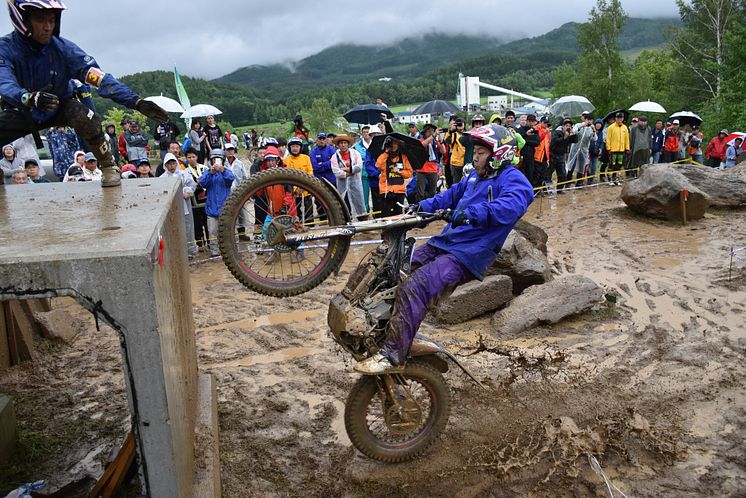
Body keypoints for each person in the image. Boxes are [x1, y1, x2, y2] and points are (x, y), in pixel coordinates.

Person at [355, 125, 534, 373]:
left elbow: (508, 208)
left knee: (415, 287)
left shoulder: (514, 180)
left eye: (481, 153)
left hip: (468, 254)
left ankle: (392, 356)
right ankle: (386, 335)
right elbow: (448, 196)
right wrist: (418, 208)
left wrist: (468, 214)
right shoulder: (473, 177)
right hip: (445, 243)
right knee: (394, 272)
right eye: (475, 152)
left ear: (498, 154)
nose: (475, 156)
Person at [0, 0, 167, 187]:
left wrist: (135, 101)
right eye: (41, 20)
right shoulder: (4, 48)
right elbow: (4, 81)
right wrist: (27, 97)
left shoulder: (64, 49)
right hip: (22, 108)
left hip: (60, 105)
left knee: (85, 116)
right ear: (22, 19)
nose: (48, 27)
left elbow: (98, 77)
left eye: (52, 20)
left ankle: (108, 166)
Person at [160, 152, 197, 259]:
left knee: (188, 228)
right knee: (173, 229)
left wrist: (187, 192)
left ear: (176, 163)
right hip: (171, 208)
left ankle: (190, 252)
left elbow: (192, 185)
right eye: (169, 164)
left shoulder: (184, 174)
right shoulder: (162, 178)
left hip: (185, 206)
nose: (172, 166)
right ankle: (175, 252)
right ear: (165, 165)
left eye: (173, 163)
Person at [199, 149, 234, 258]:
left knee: (227, 231)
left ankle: (229, 251)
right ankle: (214, 252)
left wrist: (222, 171)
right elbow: (202, 182)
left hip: (226, 210)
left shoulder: (227, 172)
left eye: (219, 159)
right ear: (211, 160)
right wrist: (211, 172)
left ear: (223, 160)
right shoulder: (208, 172)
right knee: (212, 232)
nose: (217, 162)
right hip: (212, 210)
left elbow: (231, 179)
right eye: (214, 159)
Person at [375, 135, 413, 217]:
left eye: (396, 143)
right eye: (392, 143)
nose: (394, 145)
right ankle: (386, 230)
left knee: (398, 214)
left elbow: (409, 173)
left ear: (398, 145)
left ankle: (397, 230)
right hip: (386, 190)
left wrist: (400, 172)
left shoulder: (403, 157)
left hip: (399, 190)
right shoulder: (384, 156)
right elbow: (378, 165)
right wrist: (386, 152)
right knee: (386, 214)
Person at [330, 134, 366, 220]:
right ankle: (347, 221)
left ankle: (363, 220)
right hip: (342, 185)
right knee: (344, 203)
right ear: (338, 145)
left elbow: (359, 166)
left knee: (359, 202)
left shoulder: (355, 153)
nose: (343, 145)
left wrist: (348, 169)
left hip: (355, 183)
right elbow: (336, 171)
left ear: (348, 144)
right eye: (341, 143)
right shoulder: (335, 157)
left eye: (345, 143)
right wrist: (346, 174)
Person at [285, 136, 315, 225]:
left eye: (297, 146)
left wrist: (303, 186)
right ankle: (298, 226)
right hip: (294, 192)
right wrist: (295, 189)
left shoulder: (306, 158)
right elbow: (287, 177)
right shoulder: (286, 161)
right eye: (293, 146)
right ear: (290, 148)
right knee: (296, 211)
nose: (295, 148)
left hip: (306, 189)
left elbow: (310, 172)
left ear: (300, 147)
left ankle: (311, 225)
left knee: (309, 209)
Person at [184, 148, 209, 248]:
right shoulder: (185, 172)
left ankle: (210, 242)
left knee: (208, 222)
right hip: (193, 202)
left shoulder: (205, 168)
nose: (191, 159)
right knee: (196, 223)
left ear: (197, 157)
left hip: (207, 200)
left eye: (193, 157)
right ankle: (199, 243)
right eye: (189, 157)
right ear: (186, 158)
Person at [548, 118, 577, 191]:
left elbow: (575, 140)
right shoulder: (557, 132)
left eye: (570, 126)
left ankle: (559, 189)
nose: (568, 127)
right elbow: (555, 141)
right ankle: (546, 188)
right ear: (563, 126)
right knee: (548, 173)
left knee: (562, 173)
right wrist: (564, 137)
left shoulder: (569, 133)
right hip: (553, 155)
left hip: (561, 156)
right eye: (566, 126)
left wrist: (573, 135)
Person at [566, 113, 595, 185]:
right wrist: (582, 126)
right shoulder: (578, 125)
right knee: (571, 164)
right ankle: (568, 180)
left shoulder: (591, 129)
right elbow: (574, 131)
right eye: (588, 120)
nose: (589, 121)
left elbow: (594, 139)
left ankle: (579, 182)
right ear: (585, 119)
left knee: (581, 166)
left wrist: (594, 130)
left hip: (583, 150)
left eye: (591, 120)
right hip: (575, 148)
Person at [416, 124, 443, 201]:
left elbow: (443, 151)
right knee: (420, 193)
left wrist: (441, 139)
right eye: (430, 130)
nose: (431, 132)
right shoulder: (421, 140)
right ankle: (419, 207)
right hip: (421, 170)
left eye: (433, 130)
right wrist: (433, 136)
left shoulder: (435, 141)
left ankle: (427, 206)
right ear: (425, 132)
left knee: (432, 193)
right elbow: (423, 145)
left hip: (433, 170)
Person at [605, 112, 629, 185]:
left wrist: (627, 148)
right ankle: (610, 179)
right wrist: (608, 148)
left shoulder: (625, 127)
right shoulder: (611, 127)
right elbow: (608, 138)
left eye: (621, 118)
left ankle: (616, 179)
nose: (619, 119)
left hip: (621, 150)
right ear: (615, 118)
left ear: (623, 118)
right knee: (612, 164)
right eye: (618, 117)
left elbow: (627, 138)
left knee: (619, 165)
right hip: (613, 150)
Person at [353, 125, 373, 212]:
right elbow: (359, 157)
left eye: (367, 132)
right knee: (364, 195)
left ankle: (377, 212)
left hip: (375, 172)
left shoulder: (375, 143)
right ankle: (365, 212)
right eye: (364, 132)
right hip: (363, 173)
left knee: (376, 195)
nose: (366, 134)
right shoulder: (357, 146)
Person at [444, 117, 466, 183]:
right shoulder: (454, 134)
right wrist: (451, 130)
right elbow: (447, 140)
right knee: (456, 183)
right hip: (455, 163)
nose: (459, 125)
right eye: (457, 124)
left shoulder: (467, 134)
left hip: (465, 163)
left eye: (460, 124)